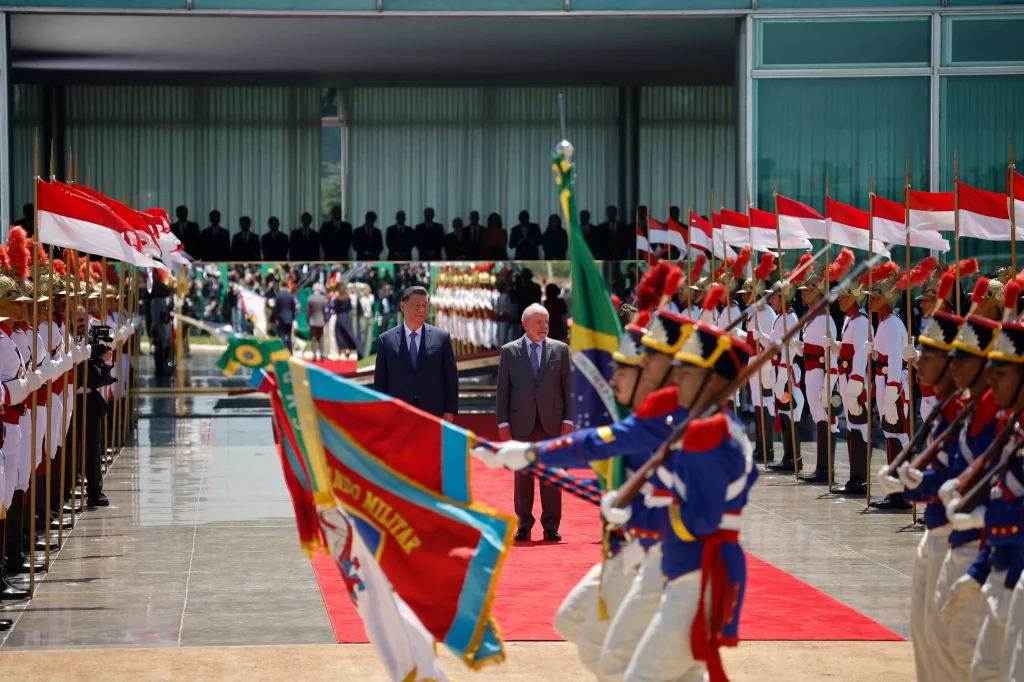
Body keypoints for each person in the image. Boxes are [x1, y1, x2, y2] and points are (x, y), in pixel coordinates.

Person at [496, 303, 572, 542]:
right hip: (521, 421)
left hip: (553, 421)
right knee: (523, 475)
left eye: (546, 322)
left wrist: (569, 418)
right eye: (539, 322)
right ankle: (524, 524)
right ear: (525, 324)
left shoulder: (561, 350)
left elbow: (568, 388)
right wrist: (502, 423)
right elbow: (503, 390)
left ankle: (551, 525)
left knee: (551, 474)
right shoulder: (509, 351)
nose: (544, 327)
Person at [795, 251, 849, 483]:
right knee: (819, 419)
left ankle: (826, 469)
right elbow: (811, 349)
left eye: (808, 291)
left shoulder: (824, 319)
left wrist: (829, 384)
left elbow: (830, 356)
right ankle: (821, 466)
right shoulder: (813, 318)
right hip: (811, 372)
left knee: (826, 419)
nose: (804, 294)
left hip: (821, 375)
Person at [373, 286, 458, 420]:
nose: (421, 310)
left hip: (433, 412)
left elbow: (451, 377)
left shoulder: (441, 338)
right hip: (398, 413)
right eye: (416, 305)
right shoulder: (386, 340)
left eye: (425, 305)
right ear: (402, 306)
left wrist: (450, 409)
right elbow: (380, 380)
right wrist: (380, 410)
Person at [306, 282, 327, 361]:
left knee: (313, 338)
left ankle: (314, 354)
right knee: (321, 338)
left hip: (312, 320)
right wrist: (325, 319)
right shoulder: (323, 298)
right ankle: (321, 354)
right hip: (321, 320)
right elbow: (324, 310)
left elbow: (308, 311)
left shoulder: (310, 298)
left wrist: (308, 320)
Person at [274, 283, 297, 352]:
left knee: (282, 335)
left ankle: (283, 351)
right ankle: (290, 351)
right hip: (289, 318)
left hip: (281, 318)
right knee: (289, 335)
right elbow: (293, 308)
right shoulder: (290, 295)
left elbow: (276, 309)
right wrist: (293, 317)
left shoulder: (278, 296)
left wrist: (276, 318)